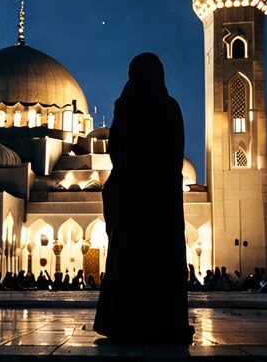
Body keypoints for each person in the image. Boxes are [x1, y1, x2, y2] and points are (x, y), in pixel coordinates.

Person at [94, 52, 194, 345]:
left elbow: (115, 152)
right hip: (161, 201)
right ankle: (165, 324)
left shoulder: (126, 107)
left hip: (131, 201)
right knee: (162, 261)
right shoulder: (169, 107)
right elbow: (175, 154)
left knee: (129, 262)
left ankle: (124, 322)